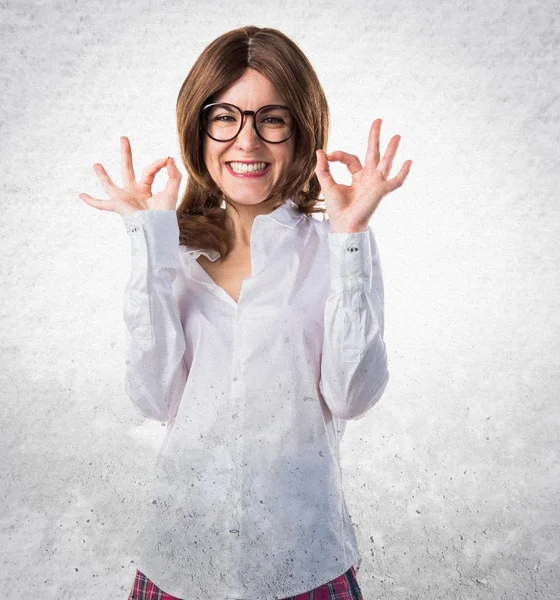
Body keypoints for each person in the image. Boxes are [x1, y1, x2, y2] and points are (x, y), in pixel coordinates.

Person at [79, 25, 411, 600]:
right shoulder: (171, 254)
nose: (247, 142)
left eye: (272, 119)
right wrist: (148, 238)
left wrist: (351, 236)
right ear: (199, 127)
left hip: (303, 564)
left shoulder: (335, 248)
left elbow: (353, 397)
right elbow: (154, 398)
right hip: (183, 566)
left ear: (302, 131)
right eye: (225, 116)